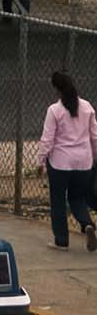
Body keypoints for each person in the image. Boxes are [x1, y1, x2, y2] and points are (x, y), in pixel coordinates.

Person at [36, 71, 97, 251]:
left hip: (60, 163)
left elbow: (47, 138)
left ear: (56, 88)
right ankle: (87, 224)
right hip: (84, 162)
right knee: (77, 197)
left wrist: (40, 161)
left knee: (58, 201)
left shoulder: (55, 110)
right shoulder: (87, 107)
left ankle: (61, 240)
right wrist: (95, 157)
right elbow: (95, 136)